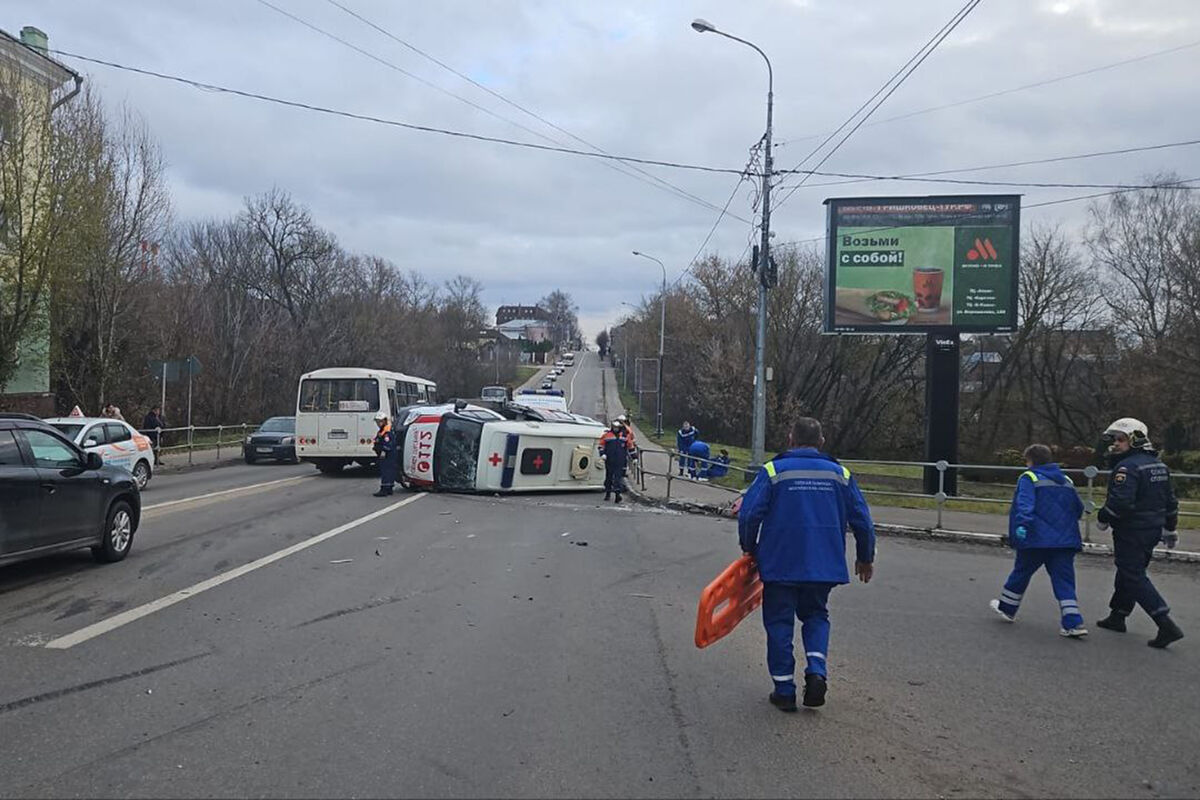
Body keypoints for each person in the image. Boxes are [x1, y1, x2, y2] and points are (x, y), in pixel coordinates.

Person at [738, 417, 875, 712]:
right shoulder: (841, 474)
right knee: (816, 616)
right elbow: (863, 521)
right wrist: (865, 557)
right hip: (823, 565)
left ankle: (784, 689)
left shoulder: (774, 471)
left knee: (779, 623)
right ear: (822, 442)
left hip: (780, 563)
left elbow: (749, 515)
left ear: (790, 439)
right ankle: (816, 670)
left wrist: (749, 548)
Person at [1094, 418, 1184, 648]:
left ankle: (1165, 623)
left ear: (1135, 440)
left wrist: (1104, 516)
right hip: (1151, 529)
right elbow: (1171, 502)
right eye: (1115, 440)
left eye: (1121, 440)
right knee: (1129, 571)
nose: (1116, 444)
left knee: (1132, 574)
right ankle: (1118, 615)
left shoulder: (1127, 468)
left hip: (1131, 530)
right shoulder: (1159, 466)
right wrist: (1170, 527)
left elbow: (1121, 503)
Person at [989, 444, 1087, 637]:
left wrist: (1022, 526)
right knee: (1065, 581)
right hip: (1064, 541)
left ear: (1030, 460)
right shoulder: (1066, 480)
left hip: (1036, 538)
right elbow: (1078, 508)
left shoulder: (1029, 478)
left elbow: (1025, 504)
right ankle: (1073, 622)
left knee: (1021, 572)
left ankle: (1007, 607)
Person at [600, 421, 630, 503]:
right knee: (609, 476)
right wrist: (602, 454)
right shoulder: (607, 435)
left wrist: (634, 458)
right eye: (614, 427)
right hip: (609, 459)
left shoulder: (624, 436)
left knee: (618, 478)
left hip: (620, 460)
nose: (616, 429)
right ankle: (608, 492)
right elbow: (601, 446)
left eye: (617, 427)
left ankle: (617, 494)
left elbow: (630, 447)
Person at [372, 411, 398, 497]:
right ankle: (389, 488)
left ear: (384, 421)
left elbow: (388, 444)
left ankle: (385, 489)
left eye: (379, 421)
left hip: (388, 455)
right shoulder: (383, 430)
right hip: (386, 454)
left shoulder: (387, 431)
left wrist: (383, 452)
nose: (378, 423)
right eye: (377, 421)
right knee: (388, 471)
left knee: (386, 471)